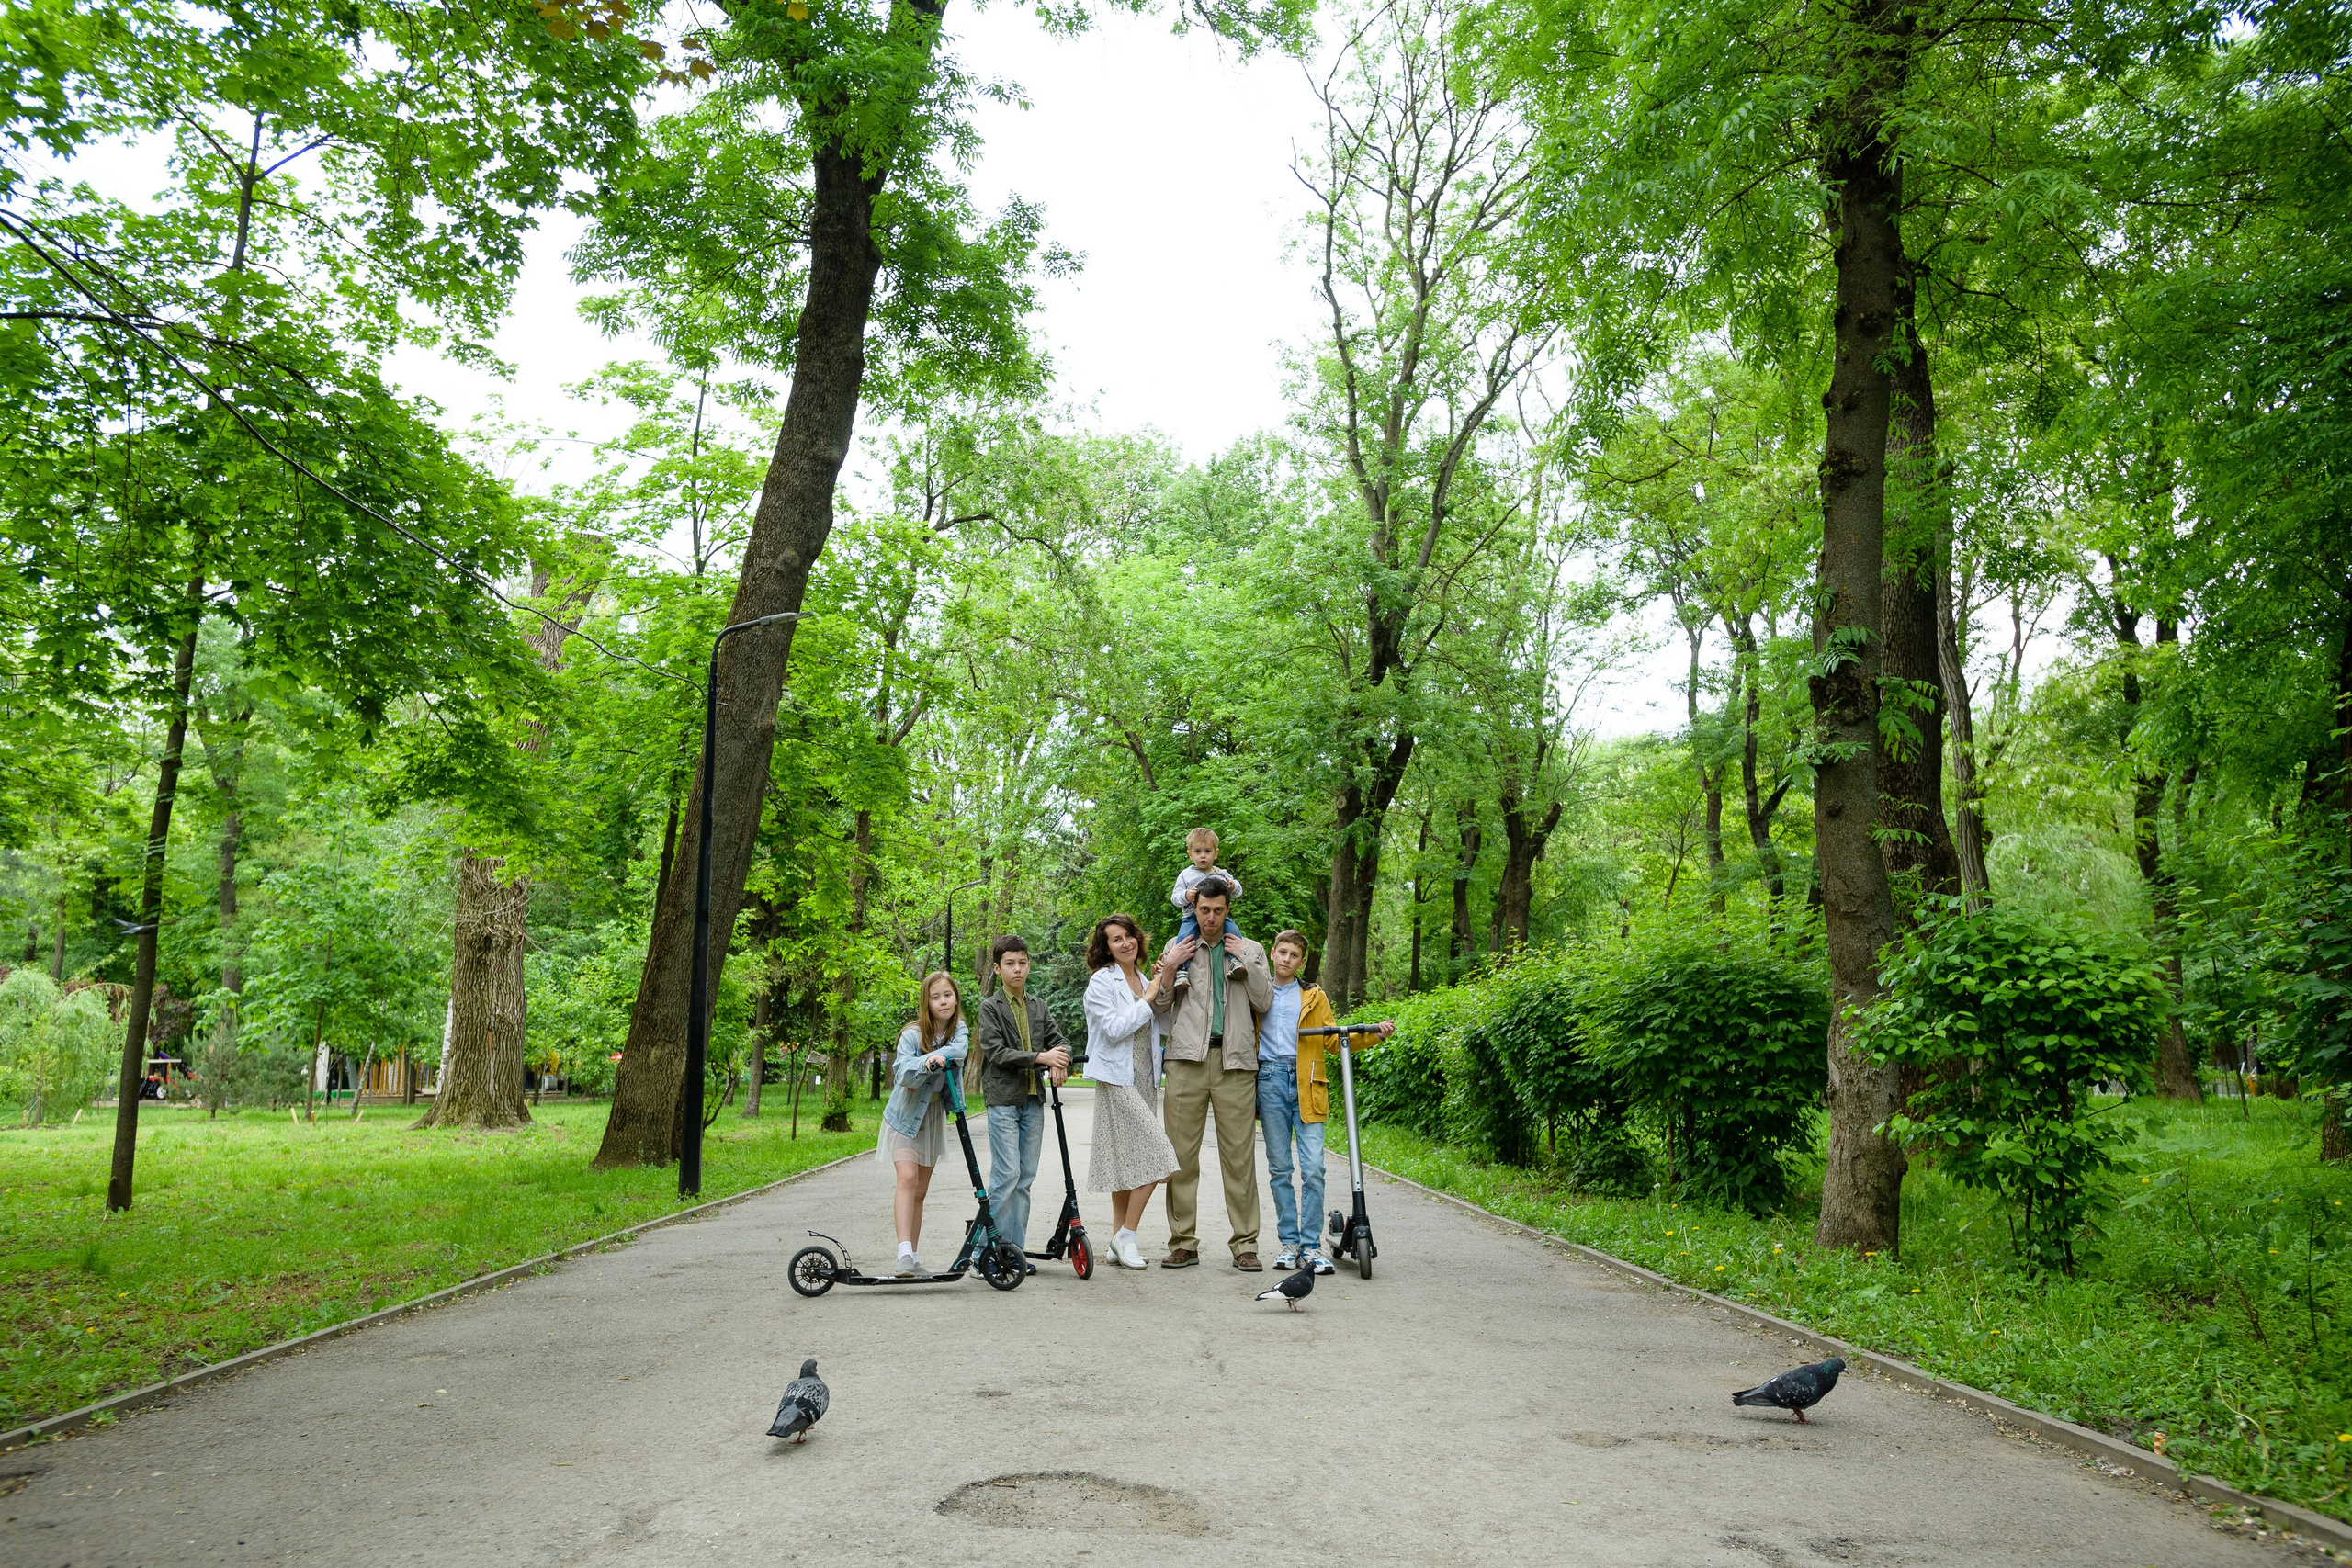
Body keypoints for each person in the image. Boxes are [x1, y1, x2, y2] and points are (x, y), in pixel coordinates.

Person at [1151, 875, 1273, 1269]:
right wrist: (1169, 969)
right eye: (1204, 910)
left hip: (1235, 1063)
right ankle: (1183, 1242)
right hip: (1186, 1062)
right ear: (1195, 909)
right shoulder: (1178, 946)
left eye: (1219, 910)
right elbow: (1160, 1007)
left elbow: (1264, 1000)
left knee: (1239, 1159)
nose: (1211, 918)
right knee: (1181, 1159)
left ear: (1228, 909)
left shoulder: (1249, 948)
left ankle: (1245, 1244)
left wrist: (1250, 962)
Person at [1258, 931, 1396, 1273]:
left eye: (1294, 955)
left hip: (1308, 1081)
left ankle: (1311, 1245)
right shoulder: (1257, 991)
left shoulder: (1314, 996)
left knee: (1314, 1169)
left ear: (1302, 962)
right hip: (1269, 1080)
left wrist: (1372, 1035)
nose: (1287, 959)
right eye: (1283, 953)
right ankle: (1288, 1243)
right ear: (1273, 954)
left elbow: (1334, 1040)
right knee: (1280, 1168)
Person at [1081, 914, 1183, 1270]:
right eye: (1115, 939)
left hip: (1145, 1078)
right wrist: (1149, 997)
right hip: (1116, 1079)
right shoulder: (1100, 982)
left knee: (1126, 1159)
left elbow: (1165, 1024)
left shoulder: (1143, 978)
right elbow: (1112, 1029)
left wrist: (1163, 984)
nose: (1125, 943)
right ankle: (1127, 1235)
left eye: (1129, 936)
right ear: (1105, 948)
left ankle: (1114, 1242)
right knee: (1161, 1156)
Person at [974, 935, 1072, 1269]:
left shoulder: (1038, 1006)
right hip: (1003, 1099)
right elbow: (996, 1052)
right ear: (998, 969)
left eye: (1022, 962)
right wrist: (1041, 1057)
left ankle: (1010, 1254)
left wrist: (1061, 1061)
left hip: (1032, 1100)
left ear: (1029, 964)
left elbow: (1062, 1042)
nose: (1018, 969)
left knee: (1025, 1178)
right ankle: (981, 1254)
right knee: (1006, 1176)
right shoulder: (990, 1007)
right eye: (1010, 964)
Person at [878, 972, 971, 1277]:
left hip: (932, 1117)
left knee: (920, 1190)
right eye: (935, 997)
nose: (943, 1001)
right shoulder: (911, 1034)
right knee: (906, 1179)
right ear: (926, 1003)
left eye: (947, 995)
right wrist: (925, 1063)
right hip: (905, 1116)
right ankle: (903, 1254)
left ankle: (913, 1258)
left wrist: (932, 1057)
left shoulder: (959, 1032)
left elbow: (959, 1053)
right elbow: (902, 1072)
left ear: (956, 998)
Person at [1170, 827, 1243, 976]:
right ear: (1190, 855)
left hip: (1218, 917)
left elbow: (1238, 893)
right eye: (1197, 852)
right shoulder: (1186, 875)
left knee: (1234, 931)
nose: (1202, 856)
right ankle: (1182, 970)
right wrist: (1186, 895)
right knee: (1184, 938)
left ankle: (1236, 960)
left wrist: (1233, 886)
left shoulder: (1221, 873)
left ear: (1215, 854)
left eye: (1207, 851)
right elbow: (1175, 898)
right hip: (1191, 916)